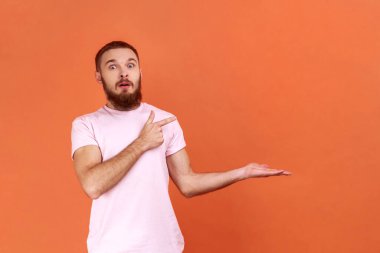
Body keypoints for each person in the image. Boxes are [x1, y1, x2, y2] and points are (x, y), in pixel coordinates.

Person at [71, 41, 291, 253]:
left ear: (140, 71)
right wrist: (142, 143)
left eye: (130, 65)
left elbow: (187, 183)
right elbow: (93, 185)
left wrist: (243, 172)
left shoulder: (165, 120)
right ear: (98, 76)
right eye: (112, 66)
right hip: (112, 248)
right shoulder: (87, 124)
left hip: (164, 246)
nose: (123, 73)